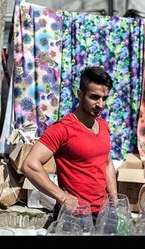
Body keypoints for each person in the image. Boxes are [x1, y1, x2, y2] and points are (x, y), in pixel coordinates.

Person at [21, 66, 118, 224]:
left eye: (104, 98)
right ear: (80, 94)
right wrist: (62, 197)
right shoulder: (62, 129)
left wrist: (114, 200)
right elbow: (30, 165)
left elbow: (106, 163)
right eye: (94, 97)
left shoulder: (103, 125)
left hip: (103, 213)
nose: (100, 104)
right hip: (75, 216)